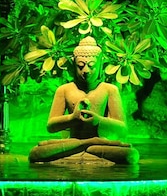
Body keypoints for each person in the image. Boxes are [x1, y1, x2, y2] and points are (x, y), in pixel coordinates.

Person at [28, 36, 139, 164]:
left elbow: (122, 129)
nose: (86, 70)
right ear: (73, 64)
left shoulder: (109, 90)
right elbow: (51, 126)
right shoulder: (64, 90)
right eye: (80, 66)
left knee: (130, 155)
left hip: (98, 145)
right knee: (35, 153)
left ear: (100, 64)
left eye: (91, 66)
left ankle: (85, 147)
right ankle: (87, 144)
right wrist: (72, 118)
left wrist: (98, 121)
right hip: (74, 143)